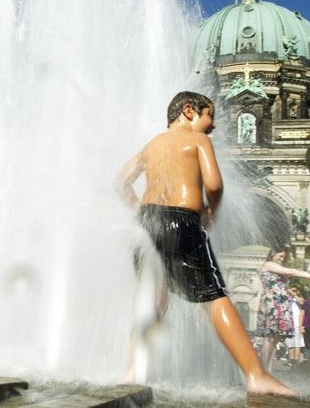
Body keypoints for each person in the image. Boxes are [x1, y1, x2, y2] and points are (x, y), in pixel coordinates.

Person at [115, 91, 295, 396]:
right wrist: (211, 210)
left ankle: (133, 371)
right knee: (215, 298)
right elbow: (214, 184)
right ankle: (256, 375)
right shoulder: (198, 141)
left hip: (145, 224)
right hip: (182, 222)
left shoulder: (151, 145)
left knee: (153, 300)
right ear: (189, 111)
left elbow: (120, 181)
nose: (212, 126)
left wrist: (138, 210)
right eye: (209, 115)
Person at [256, 249, 310, 373]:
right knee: (269, 338)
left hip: (280, 303)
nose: (282, 259)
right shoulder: (268, 264)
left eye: (284, 257)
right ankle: (263, 370)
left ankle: (269, 370)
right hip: (272, 302)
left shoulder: (277, 268)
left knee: (275, 338)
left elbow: (292, 273)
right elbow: (290, 271)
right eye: (280, 256)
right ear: (272, 253)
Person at [286, 286, 305, 364]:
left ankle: (296, 360)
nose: (292, 292)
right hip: (288, 324)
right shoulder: (288, 300)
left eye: (295, 290)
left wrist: (293, 294)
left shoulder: (299, 299)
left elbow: (301, 302)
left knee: (297, 343)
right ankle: (291, 359)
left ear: (298, 291)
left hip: (297, 324)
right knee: (290, 343)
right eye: (291, 290)